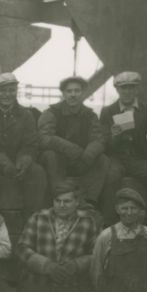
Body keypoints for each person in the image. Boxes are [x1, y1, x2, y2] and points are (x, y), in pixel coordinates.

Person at [99, 71, 147, 229]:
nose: (127, 92)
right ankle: (108, 227)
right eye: (124, 88)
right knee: (110, 179)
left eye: (131, 88)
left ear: (137, 90)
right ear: (117, 90)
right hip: (116, 159)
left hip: (139, 160)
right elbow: (102, 141)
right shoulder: (108, 111)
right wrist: (113, 135)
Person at [38, 75, 113, 216]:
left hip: (81, 160)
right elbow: (44, 137)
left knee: (102, 159)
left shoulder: (90, 115)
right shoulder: (51, 112)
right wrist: (70, 149)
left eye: (77, 91)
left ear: (83, 93)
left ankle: (89, 202)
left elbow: (99, 138)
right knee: (50, 155)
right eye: (69, 91)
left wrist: (88, 155)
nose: (73, 95)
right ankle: (59, 197)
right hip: (59, 160)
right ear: (63, 93)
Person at [0, 73, 47, 214]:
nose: (7, 95)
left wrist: (25, 159)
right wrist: (2, 161)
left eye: (11, 90)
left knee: (37, 173)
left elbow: (31, 143)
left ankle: (32, 221)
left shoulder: (26, 115)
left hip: (16, 160)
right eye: (3, 91)